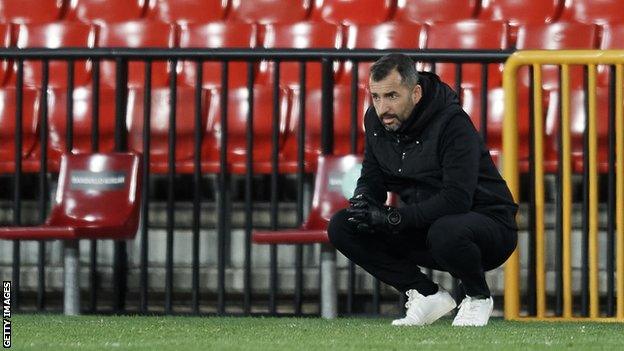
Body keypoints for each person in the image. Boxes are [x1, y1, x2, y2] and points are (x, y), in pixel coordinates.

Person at [328, 53, 518, 327]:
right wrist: (364, 202)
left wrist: (394, 218)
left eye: (392, 96)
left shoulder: (452, 123)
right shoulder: (376, 121)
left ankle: (478, 297)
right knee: (343, 226)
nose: (383, 108)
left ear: (415, 92)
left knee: (447, 230)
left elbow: (457, 200)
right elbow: (372, 176)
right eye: (376, 97)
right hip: (427, 228)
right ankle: (425, 293)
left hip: (489, 229)